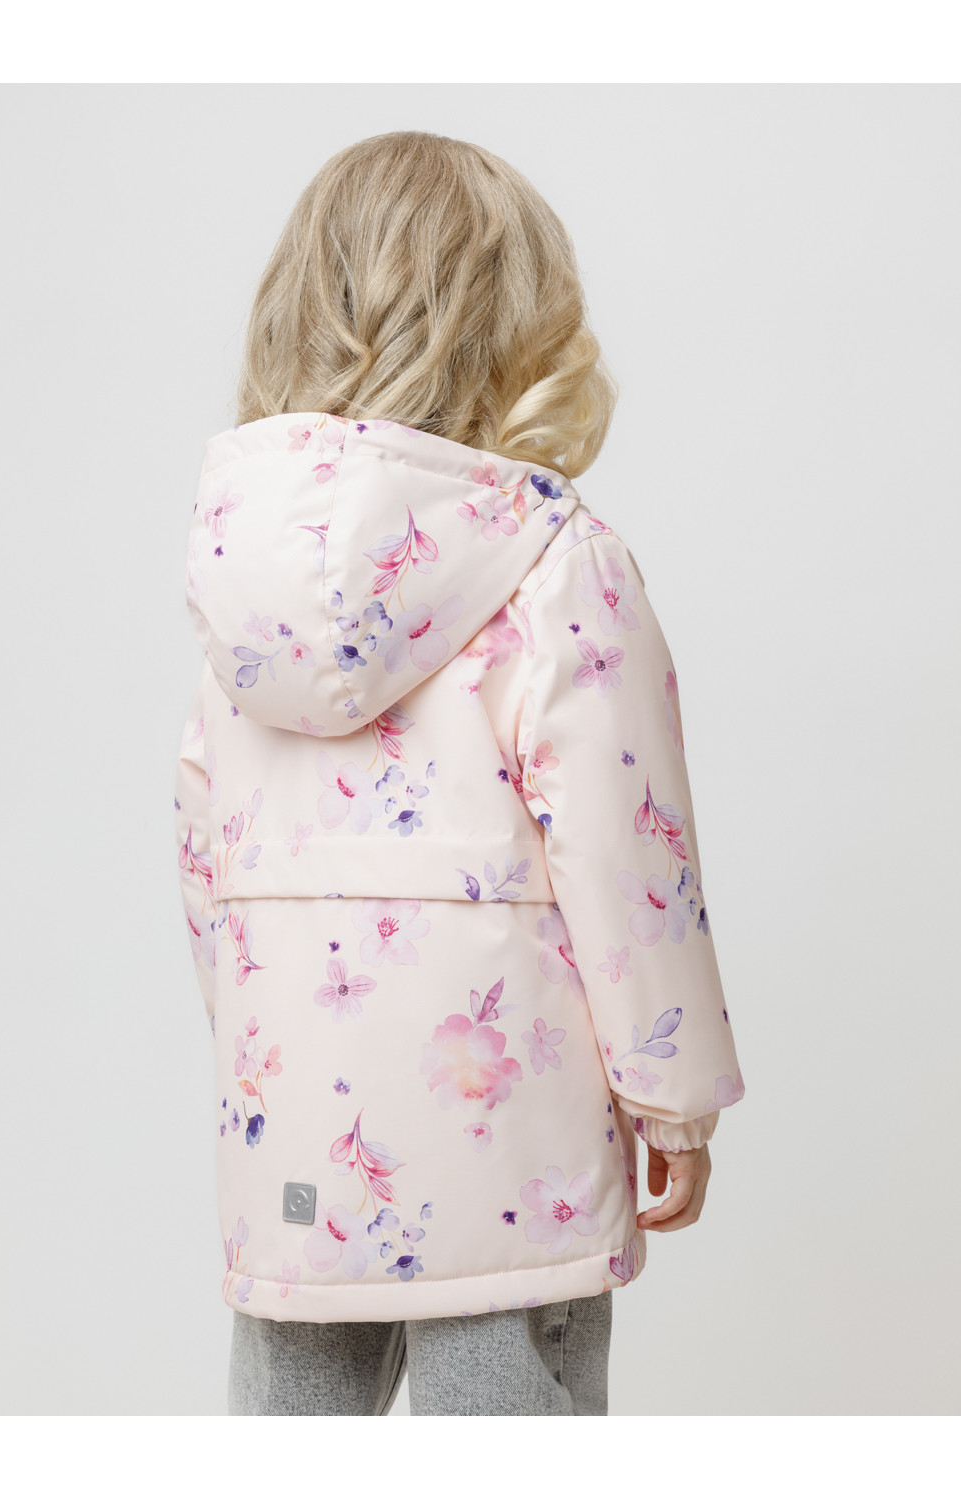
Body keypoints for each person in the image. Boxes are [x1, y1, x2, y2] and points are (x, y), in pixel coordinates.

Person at [173, 130, 745, 1418]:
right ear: (520, 324)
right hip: (512, 1139)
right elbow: (628, 851)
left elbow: (207, 855)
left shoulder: (239, 574)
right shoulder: (557, 558)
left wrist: (269, 1044)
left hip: (298, 1132)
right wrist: (672, 1101)